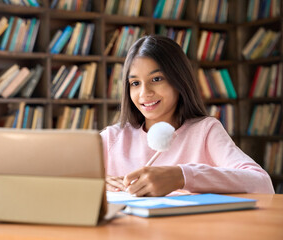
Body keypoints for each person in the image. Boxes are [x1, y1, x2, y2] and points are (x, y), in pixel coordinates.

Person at [100, 35, 274, 197]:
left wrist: (181, 176)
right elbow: (72, 178)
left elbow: (262, 183)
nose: (144, 93)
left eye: (157, 79)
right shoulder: (112, 138)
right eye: (135, 83)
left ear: (179, 80)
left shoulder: (205, 131)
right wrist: (96, 182)